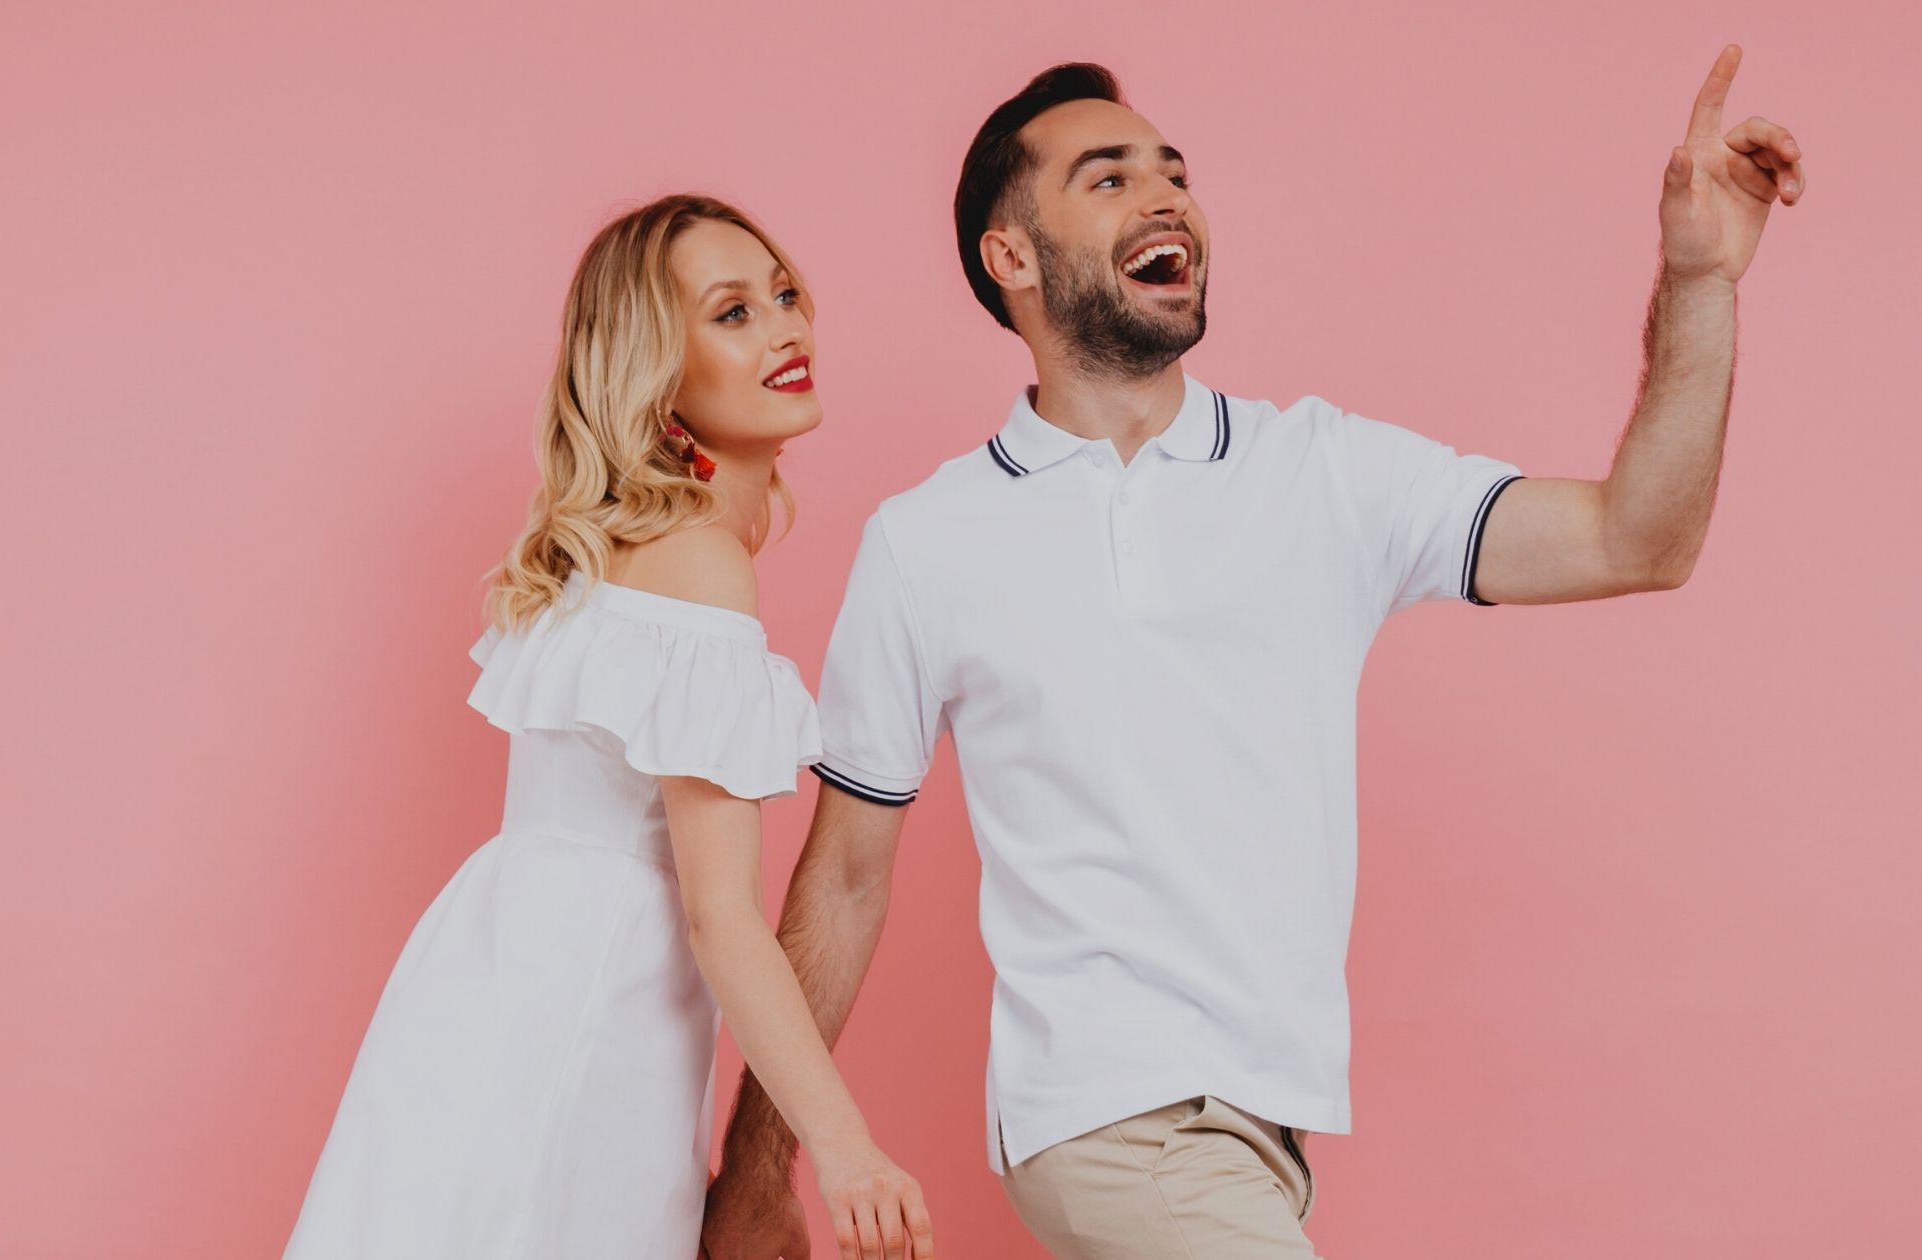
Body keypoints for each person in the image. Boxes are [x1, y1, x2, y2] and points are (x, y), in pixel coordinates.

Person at [703, 50, 1803, 1259]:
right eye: (1107, 178)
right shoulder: (927, 541)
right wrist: (755, 1177)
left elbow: (1634, 539)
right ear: (1009, 257)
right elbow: (842, 882)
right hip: (1101, 1110)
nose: (1164, 197)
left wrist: (1698, 281)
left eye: (1173, 173)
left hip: (1262, 1132)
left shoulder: (1321, 475)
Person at [281, 194, 934, 1259]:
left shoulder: (623, 551)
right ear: (655, 367)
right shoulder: (697, 561)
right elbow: (721, 918)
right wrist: (843, 1146)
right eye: (731, 312)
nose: (784, 329)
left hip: (502, 987)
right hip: (583, 1013)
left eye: (783, 296)